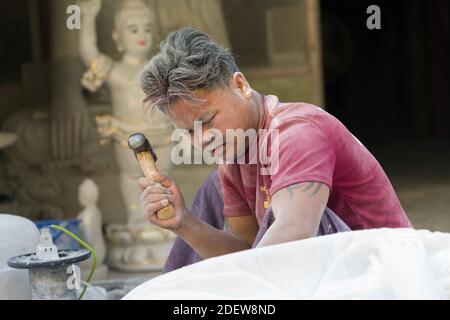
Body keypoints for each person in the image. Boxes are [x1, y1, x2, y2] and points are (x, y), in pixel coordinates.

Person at [138, 27, 412, 261]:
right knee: (212, 191)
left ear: (241, 85)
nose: (202, 138)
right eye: (188, 132)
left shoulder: (297, 131)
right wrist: (184, 223)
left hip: (384, 271)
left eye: (208, 120)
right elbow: (245, 253)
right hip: (333, 274)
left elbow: (294, 234)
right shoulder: (234, 158)